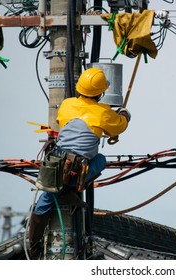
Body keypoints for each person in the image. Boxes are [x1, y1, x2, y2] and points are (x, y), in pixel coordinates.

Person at [28, 68, 131, 259]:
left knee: (44, 202)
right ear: (100, 92)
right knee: (100, 160)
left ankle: (32, 245)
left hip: (56, 164)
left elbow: (61, 120)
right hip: (77, 171)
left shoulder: (67, 104)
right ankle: (69, 192)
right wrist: (124, 114)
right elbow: (120, 126)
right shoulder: (103, 113)